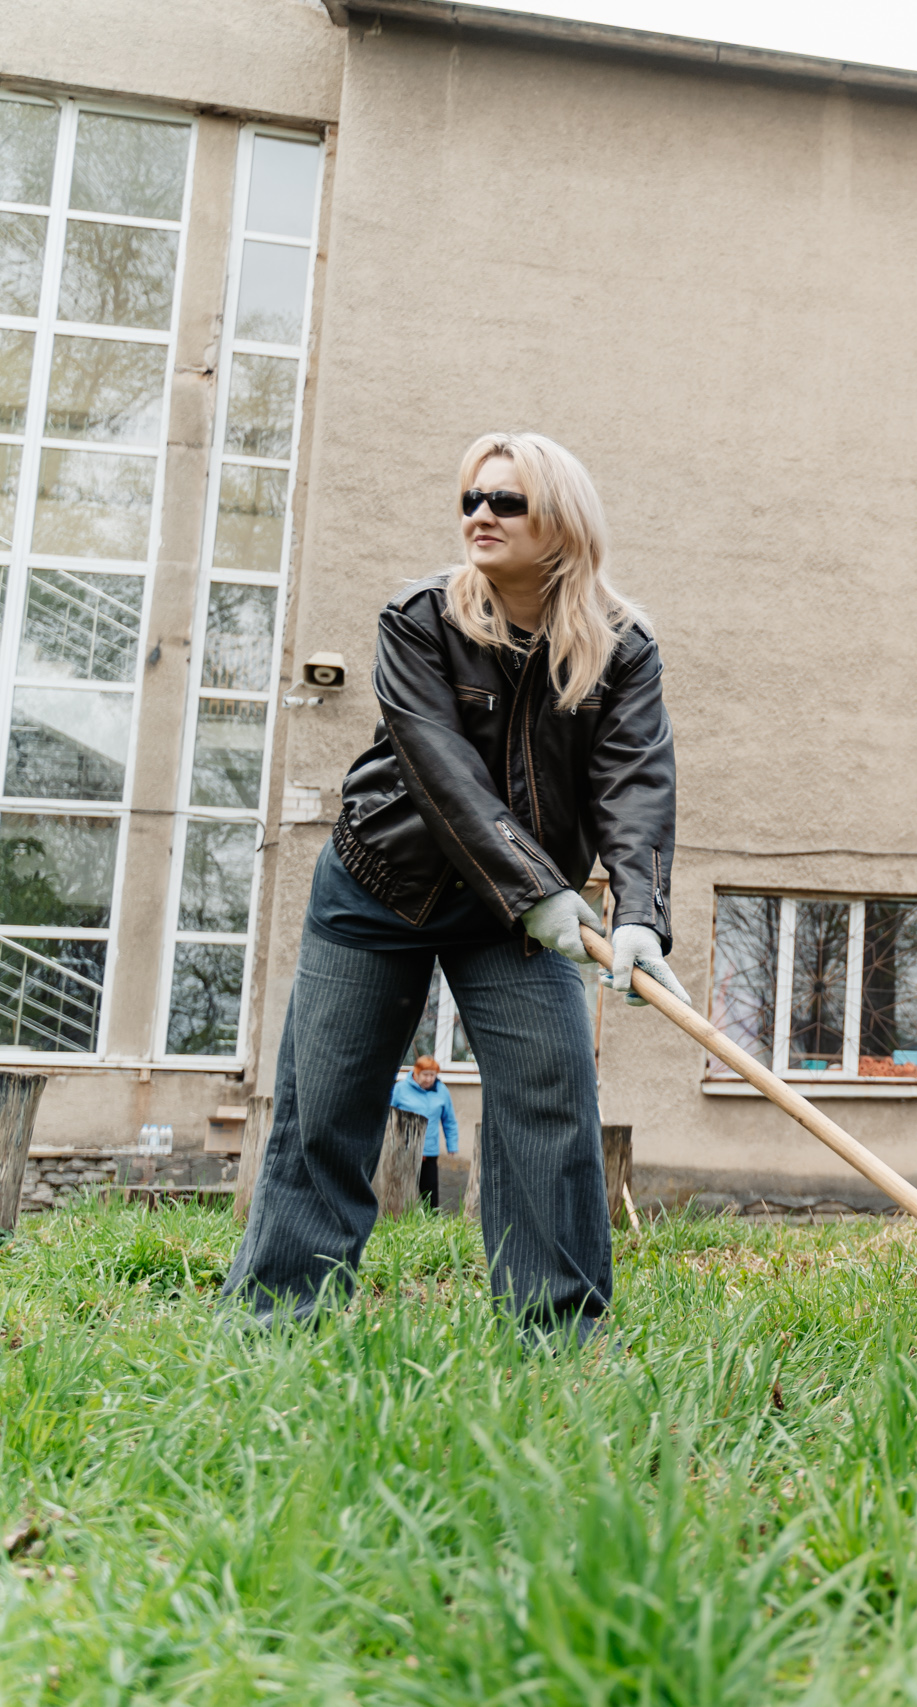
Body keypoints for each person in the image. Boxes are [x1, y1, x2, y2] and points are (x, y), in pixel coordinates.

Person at [224, 432, 684, 1337]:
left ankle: (557, 1338)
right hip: (380, 886)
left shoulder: (623, 648)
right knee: (327, 1108)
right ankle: (273, 1325)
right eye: (472, 496)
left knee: (551, 1101)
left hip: (514, 914)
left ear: (560, 520)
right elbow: (440, 772)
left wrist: (640, 915)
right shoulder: (420, 616)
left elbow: (635, 783)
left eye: (506, 501)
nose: (481, 513)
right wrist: (541, 890)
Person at [391, 1055, 462, 1212]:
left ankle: (431, 1223)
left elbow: (449, 1120)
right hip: (403, 1150)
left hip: (429, 1151)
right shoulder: (400, 1089)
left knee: (429, 1195)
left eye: (433, 1075)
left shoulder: (441, 1091)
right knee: (400, 1191)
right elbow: (388, 1116)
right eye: (425, 1074)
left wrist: (452, 1145)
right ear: (416, 1072)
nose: (429, 1079)